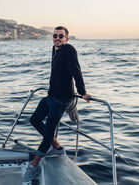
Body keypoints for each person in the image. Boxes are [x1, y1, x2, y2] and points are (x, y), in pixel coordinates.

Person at [23, 25, 91, 182]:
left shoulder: (69, 50)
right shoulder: (55, 49)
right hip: (51, 96)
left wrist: (82, 92)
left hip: (61, 100)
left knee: (47, 132)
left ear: (66, 38)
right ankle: (58, 148)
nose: (57, 38)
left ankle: (34, 165)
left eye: (61, 36)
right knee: (34, 120)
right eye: (55, 36)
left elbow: (76, 71)